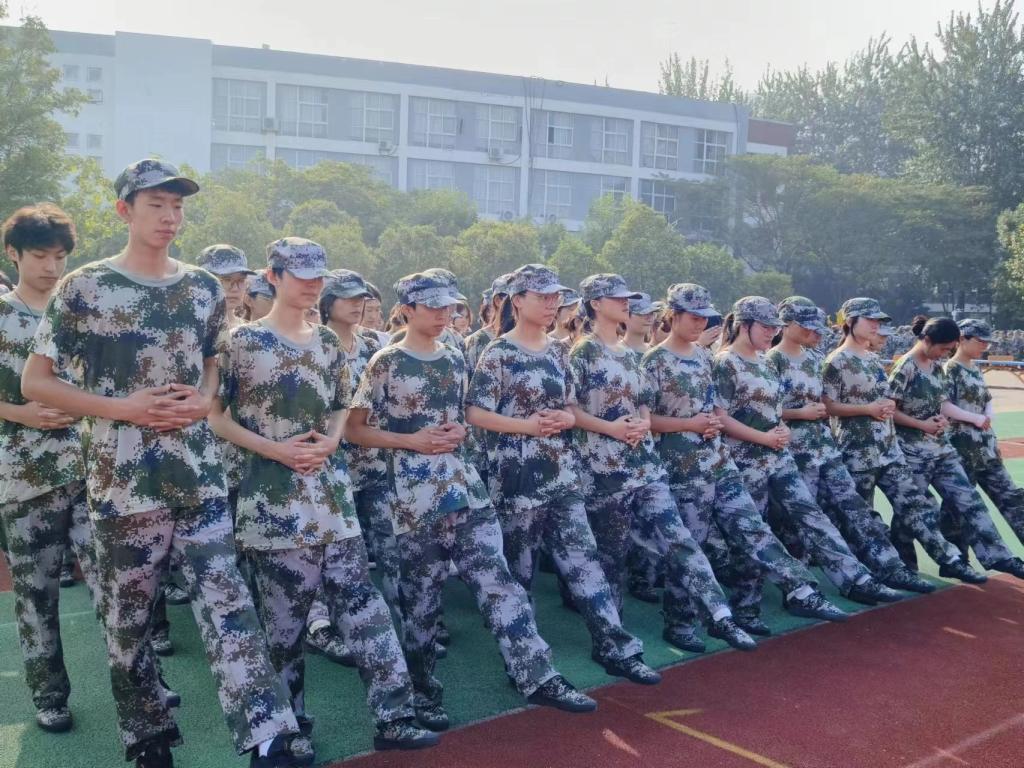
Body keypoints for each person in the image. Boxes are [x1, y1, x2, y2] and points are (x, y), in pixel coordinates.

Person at [23, 159, 301, 768]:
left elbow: (212, 363)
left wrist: (204, 399)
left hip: (198, 475)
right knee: (129, 622)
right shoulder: (85, 288)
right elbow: (36, 382)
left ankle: (268, 738)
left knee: (229, 604)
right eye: (156, 204)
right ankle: (148, 738)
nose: (170, 216)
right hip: (123, 484)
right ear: (125, 210)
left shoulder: (202, 287)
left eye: (177, 206)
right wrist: (121, 408)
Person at [210, 238, 436, 759]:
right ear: (273, 276)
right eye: (301, 275)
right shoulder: (241, 343)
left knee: (366, 609)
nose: (313, 284)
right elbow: (215, 417)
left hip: (332, 499)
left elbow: (340, 406)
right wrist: (275, 449)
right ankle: (289, 729)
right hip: (273, 503)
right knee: (284, 630)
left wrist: (333, 441)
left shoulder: (330, 343)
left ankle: (395, 716)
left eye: (318, 275)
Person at [346, 269, 598, 731]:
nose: (444, 314)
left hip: (465, 489)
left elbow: (466, 415)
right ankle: (422, 692)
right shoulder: (385, 362)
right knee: (421, 603)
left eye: (449, 306)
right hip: (415, 498)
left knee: (499, 582)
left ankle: (537, 673)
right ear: (407, 310)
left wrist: (459, 431)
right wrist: (410, 440)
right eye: (433, 306)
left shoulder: (455, 356)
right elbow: (355, 429)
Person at [467, 264, 660, 685]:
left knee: (585, 562)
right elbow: (476, 413)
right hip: (517, 480)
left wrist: (564, 418)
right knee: (520, 575)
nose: (552, 304)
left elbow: (572, 407)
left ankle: (616, 648)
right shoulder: (498, 353)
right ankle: (525, 663)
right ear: (518, 301)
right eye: (543, 296)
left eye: (556, 297)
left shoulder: (558, 351)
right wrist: (527, 426)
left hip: (561, 474)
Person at [569, 274, 755, 653]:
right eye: (617, 299)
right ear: (595, 304)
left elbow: (643, 402)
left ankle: (718, 615)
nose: (626, 303)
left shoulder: (629, 353)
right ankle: (614, 642)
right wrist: (612, 428)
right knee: (612, 560)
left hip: (646, 466)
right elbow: (569, 410)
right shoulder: (582, 353)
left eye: (628, 298)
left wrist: (641, 421)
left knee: (680, 540)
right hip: (604, 472)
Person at [641, 284, 833, 637]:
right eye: (693, 317)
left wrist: (713, 423)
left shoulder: (704, 357)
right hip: (681, 467)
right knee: (692, 547)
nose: (700, 324)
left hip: (718, 460)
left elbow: (715, 409)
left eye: (704, 317)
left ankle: (801, 590)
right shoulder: (654, 360)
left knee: (754, 528)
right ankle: (680, 623)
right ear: (673, 316)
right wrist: (689, 424)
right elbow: (646, 420)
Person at [714, 296, 884, 618]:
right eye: (765, 327)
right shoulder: (726, 363)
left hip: (778, 456)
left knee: (812, 514)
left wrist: (779, 427)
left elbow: (773, 409)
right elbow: (720, 417)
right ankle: (747, 605)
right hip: (745, 461)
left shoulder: (764, 361)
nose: (771, 332)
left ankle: (853, 579)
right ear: (743, 325)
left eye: (774, 327)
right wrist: (764, 436)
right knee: (753, 532)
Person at [0, 204, 102, 733]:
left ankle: (140, 683)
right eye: (40, 255)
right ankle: (49, 695)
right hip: (24, 476)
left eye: (60, 256)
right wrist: (19, 412)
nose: (52, 267)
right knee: (37, 595)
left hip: (90, 469)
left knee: (114, 584)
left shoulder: (79, 312)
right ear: (13, 254)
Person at [766, 297, 935, 594]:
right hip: (792, 451)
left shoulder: (813, 358)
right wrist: (799, 413)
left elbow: (827, 402)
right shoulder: (772, 361)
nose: (813, 332)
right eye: (806, 326)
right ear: (787, 325)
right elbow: (761, 411)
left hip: (824, 447)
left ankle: (889, 568)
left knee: (855, 508)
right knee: (798, 521)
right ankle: (801, 585)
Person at [820, 298, 986, 585]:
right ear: (850, 322)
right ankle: (879, 570)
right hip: (857, 452)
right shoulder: (836, 361)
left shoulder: (873, 359)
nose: (876, 326)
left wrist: (886, 407)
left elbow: (887, 399)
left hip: (888, 448)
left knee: (916, 506)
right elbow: (827, 406)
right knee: (863, 517)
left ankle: (950, 560)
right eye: (870, 320)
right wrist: (867, 409)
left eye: (879, 321)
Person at [304, 269, 399, 667]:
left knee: (390, 543)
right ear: (327, 303)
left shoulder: (377, 344)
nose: (358, 304)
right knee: (326, 552)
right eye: (348, 297)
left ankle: (400, 620)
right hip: (328, 466)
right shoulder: (311, 344)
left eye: (362, 297)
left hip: (373, 464)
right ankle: (319, 625)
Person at [887, 316, 1024, 578]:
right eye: (943, 348)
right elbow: (889, 409)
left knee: (969, 502)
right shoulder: (906, 367)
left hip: (941, 448)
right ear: (928, 340)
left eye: (949, 349)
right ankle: (904, 564)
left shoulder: (936, 367)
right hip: (913, 451)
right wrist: (921, 424)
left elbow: (941, 403)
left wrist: (940, 419)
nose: (945, 354)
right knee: (912, 510)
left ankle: (999, 557)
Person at [940, 318, 1024, 548]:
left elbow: (986, 398)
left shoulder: (975, 368)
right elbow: (944, 405)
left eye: (988, 342)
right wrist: (975, 418)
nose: (985, 346)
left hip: (986, 448)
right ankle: (957, 558)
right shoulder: (950, 369)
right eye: (980, 341)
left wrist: (987, 413)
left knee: (1013, 498)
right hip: (962, 448)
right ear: (962, 339)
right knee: (957, 509)